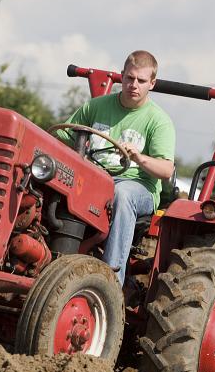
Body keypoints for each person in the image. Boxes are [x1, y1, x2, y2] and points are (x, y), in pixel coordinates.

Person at [61, 50, 176, 286]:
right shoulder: (96, 106)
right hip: (93, 178)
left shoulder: (158, 120)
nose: (134, 85)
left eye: (141, 81)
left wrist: (138, 156)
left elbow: (166, 170)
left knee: (121, 194)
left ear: (152, 83)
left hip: (136, 186)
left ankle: (111, 281)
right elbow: (64, 136)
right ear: (121, 76)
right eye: (129, 78)